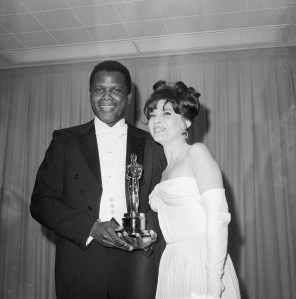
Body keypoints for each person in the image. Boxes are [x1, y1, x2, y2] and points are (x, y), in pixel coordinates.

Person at [30, 61, 166, 299]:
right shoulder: (65, 141)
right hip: (80, 261)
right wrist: (91, 227)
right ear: (90, 94)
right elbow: (41, 203)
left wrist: (148, 236)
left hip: (137, 264)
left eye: (116, 89)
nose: (106, 96)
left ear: (129, 96)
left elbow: (163, 203)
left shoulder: (152, 144)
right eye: (99, 89)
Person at [144, 80, 241, 299]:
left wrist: (214, 283)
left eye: (166, 113)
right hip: (172, 264)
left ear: (185, 122)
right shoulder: (164, 172)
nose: (156, 120)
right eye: (152, 115)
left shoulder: (196, 153)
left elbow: (217, 218)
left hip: (202, 264)